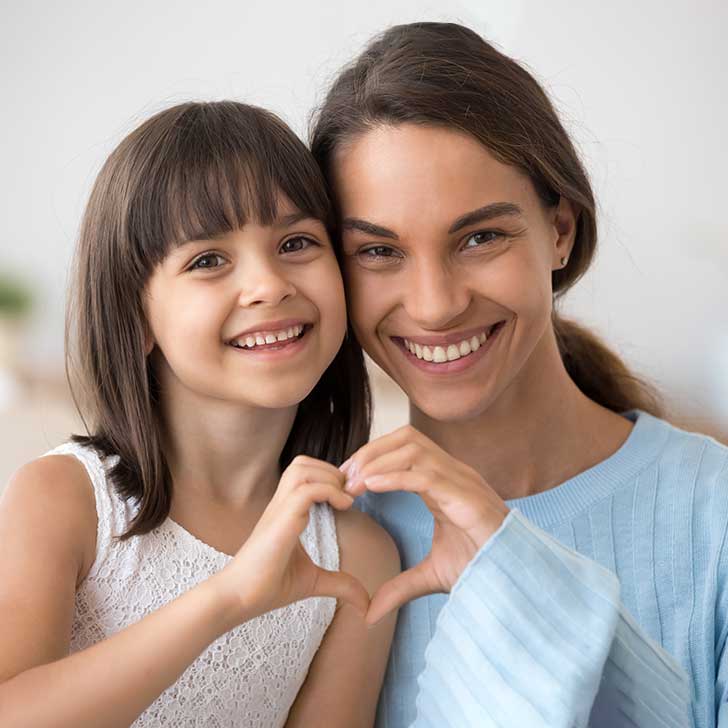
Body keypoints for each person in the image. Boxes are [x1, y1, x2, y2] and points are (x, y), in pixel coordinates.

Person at [311, 21, 728, 727]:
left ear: (559, 230)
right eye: (379, 252)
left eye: (480, 237)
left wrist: (520, 574)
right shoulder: (324, 546)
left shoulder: (712, 515)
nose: (436, 305)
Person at [0, 101, 398, 727]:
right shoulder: (65, 500)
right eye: (208, 260)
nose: (268, 284)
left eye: (296, 242)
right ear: (136, 318)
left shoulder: (359, 557)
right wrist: (231, 597)